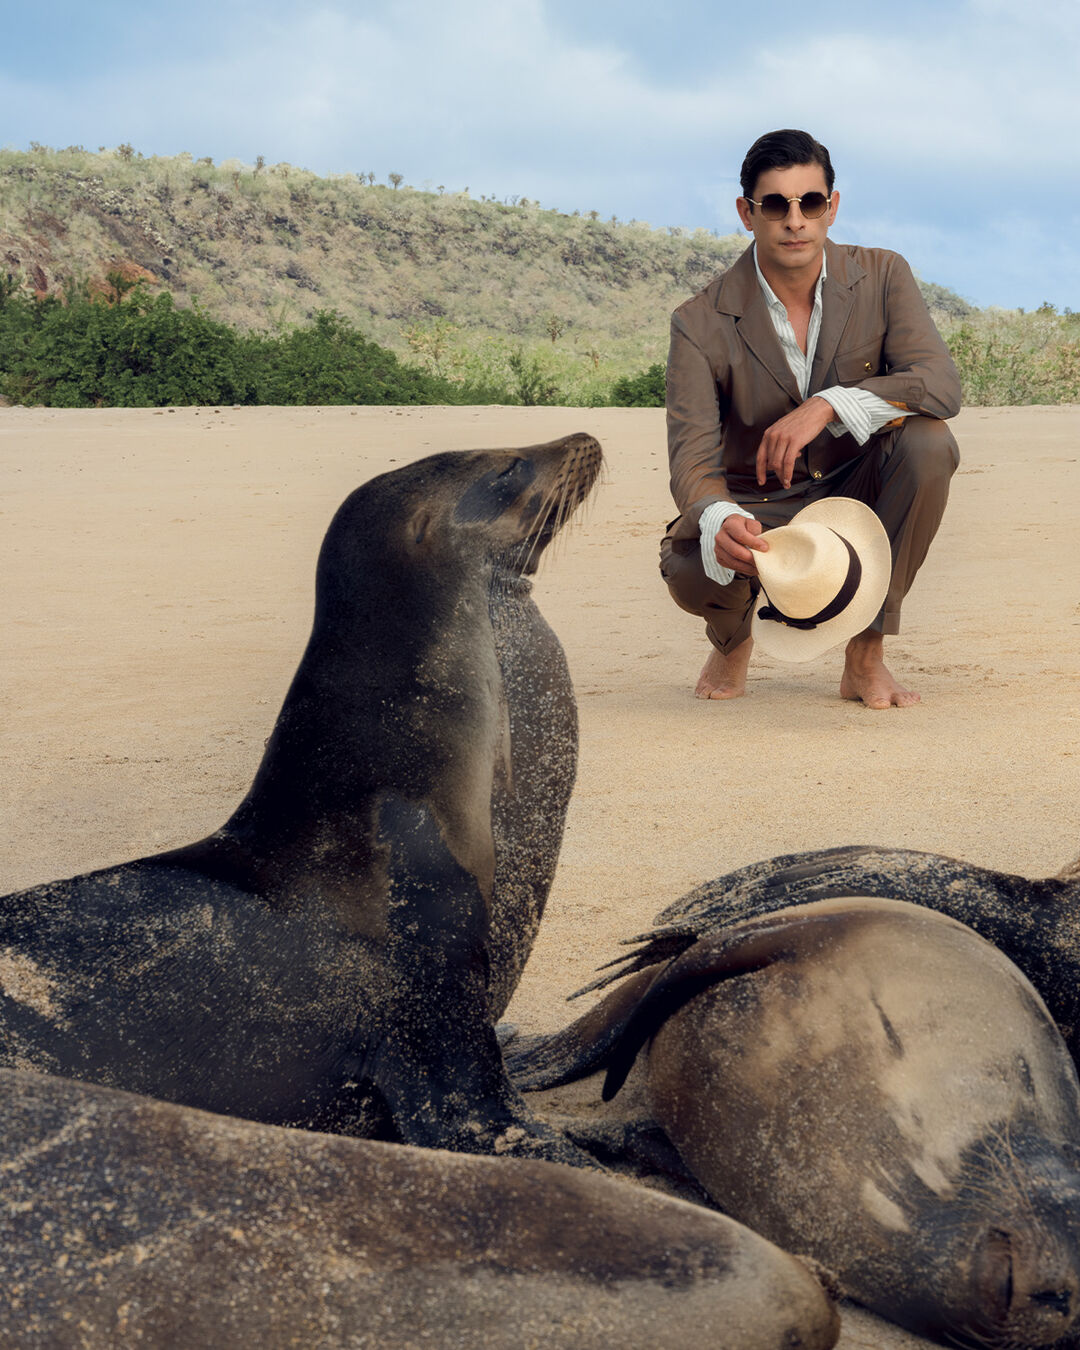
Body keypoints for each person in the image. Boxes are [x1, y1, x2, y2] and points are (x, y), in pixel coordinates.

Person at [661, 129, 961, 708]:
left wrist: (828, 404)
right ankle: (731, 639)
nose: (794, 220)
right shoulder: (697, 321)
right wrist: (722, 517)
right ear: (747, 213)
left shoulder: (883, 275)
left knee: (929, 444)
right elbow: (691, 458)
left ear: (833, 206)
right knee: (692, 560)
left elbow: (940, 386)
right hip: (761, 502)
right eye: (775, 204)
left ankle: (866, 655)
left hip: (858, 484)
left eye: (810, 202)